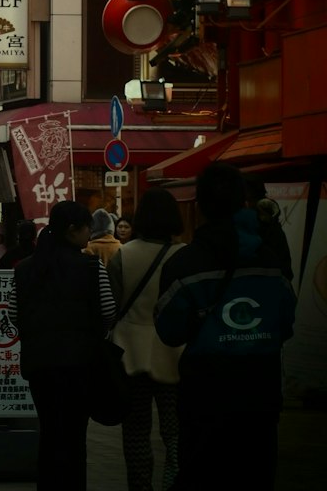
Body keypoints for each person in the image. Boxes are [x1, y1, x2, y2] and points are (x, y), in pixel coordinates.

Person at [155, 163, 296, 490]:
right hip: (261, 389)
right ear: (244, 204)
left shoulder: (184, 265)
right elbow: (286, 323)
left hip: (205, 391)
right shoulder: (271, 261)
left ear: (199, 206)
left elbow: (169, 331)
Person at [9, 200, 115, 491]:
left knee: (50, 432)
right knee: (74, 436)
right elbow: (108, 311)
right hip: (81, 363)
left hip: (40, 364)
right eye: (86, 229)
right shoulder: (91, 266)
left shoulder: (25, 269)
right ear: (72, 231)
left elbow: (13, 314)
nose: (89, 236)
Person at [108, 187, 185, 491]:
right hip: (173, 353)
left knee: (136, 431)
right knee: (175, 430)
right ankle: (173, 481)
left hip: (130, 354)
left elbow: (111, 308)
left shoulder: (122, 255)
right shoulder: (184, 254)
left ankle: (140, 486)